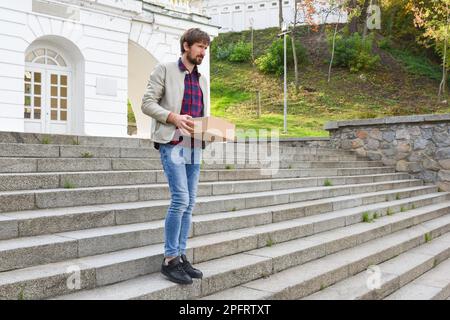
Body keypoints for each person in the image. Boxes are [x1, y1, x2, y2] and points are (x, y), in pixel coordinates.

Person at [141, 28, 210, 285]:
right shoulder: (165, 70)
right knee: (180, 198)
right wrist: (173, 117)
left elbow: (203, 113)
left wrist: (210, 131)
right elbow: (147, 103)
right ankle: (169, 260)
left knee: (190, 203)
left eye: (205, 48)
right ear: (186, 45)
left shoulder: (202, 80)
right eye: (199, 46)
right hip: (173, 143)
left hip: (195, 145)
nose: (203, 52)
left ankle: (181, 255)